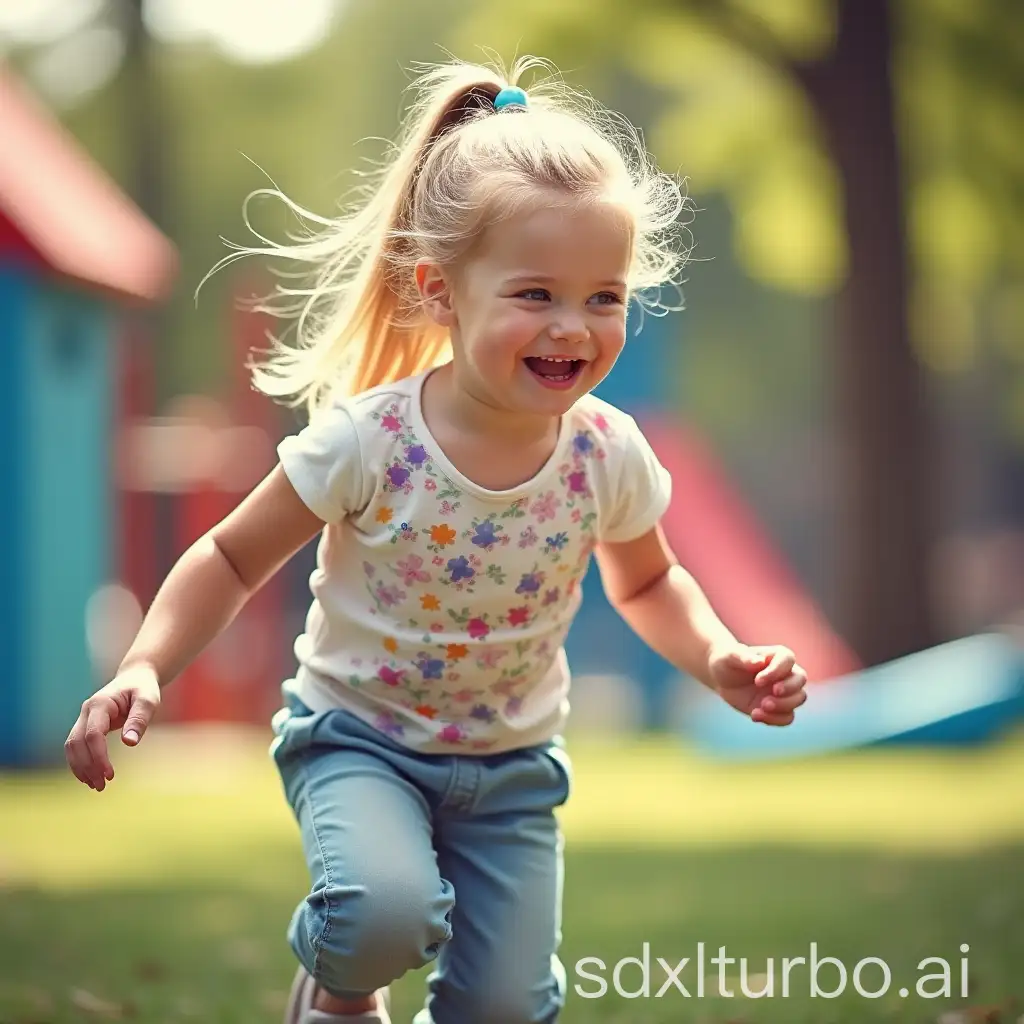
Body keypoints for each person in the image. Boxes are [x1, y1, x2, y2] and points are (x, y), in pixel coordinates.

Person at [65, 55, 808, 1024]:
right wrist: (148, 665)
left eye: (604, 296)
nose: (573, 326)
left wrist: (717, 657)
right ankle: (336, 992)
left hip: (510, 770)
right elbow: (231, 555)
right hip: (360, 742)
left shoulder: (605, 452)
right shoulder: (368, 440)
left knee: (501, 1009)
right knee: (381, 913)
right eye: (535, 294)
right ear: (437, 289)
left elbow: (650, 580)